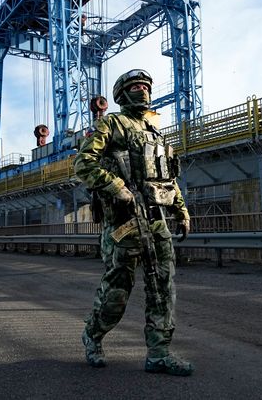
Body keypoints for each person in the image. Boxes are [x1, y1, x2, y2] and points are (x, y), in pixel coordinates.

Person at [74, 69, 193, 376]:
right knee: (117, 291)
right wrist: (116, 186)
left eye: (145, 86)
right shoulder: (111, 124)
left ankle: (159, 353)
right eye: (136, 86)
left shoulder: (155, 131)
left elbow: (166, 176)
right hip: (123, 224)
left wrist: (181, 209)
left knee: (163, 289)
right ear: (123, 94)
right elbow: (83, 163)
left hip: (155, 221)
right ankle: (93, 335)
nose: (143, 90)